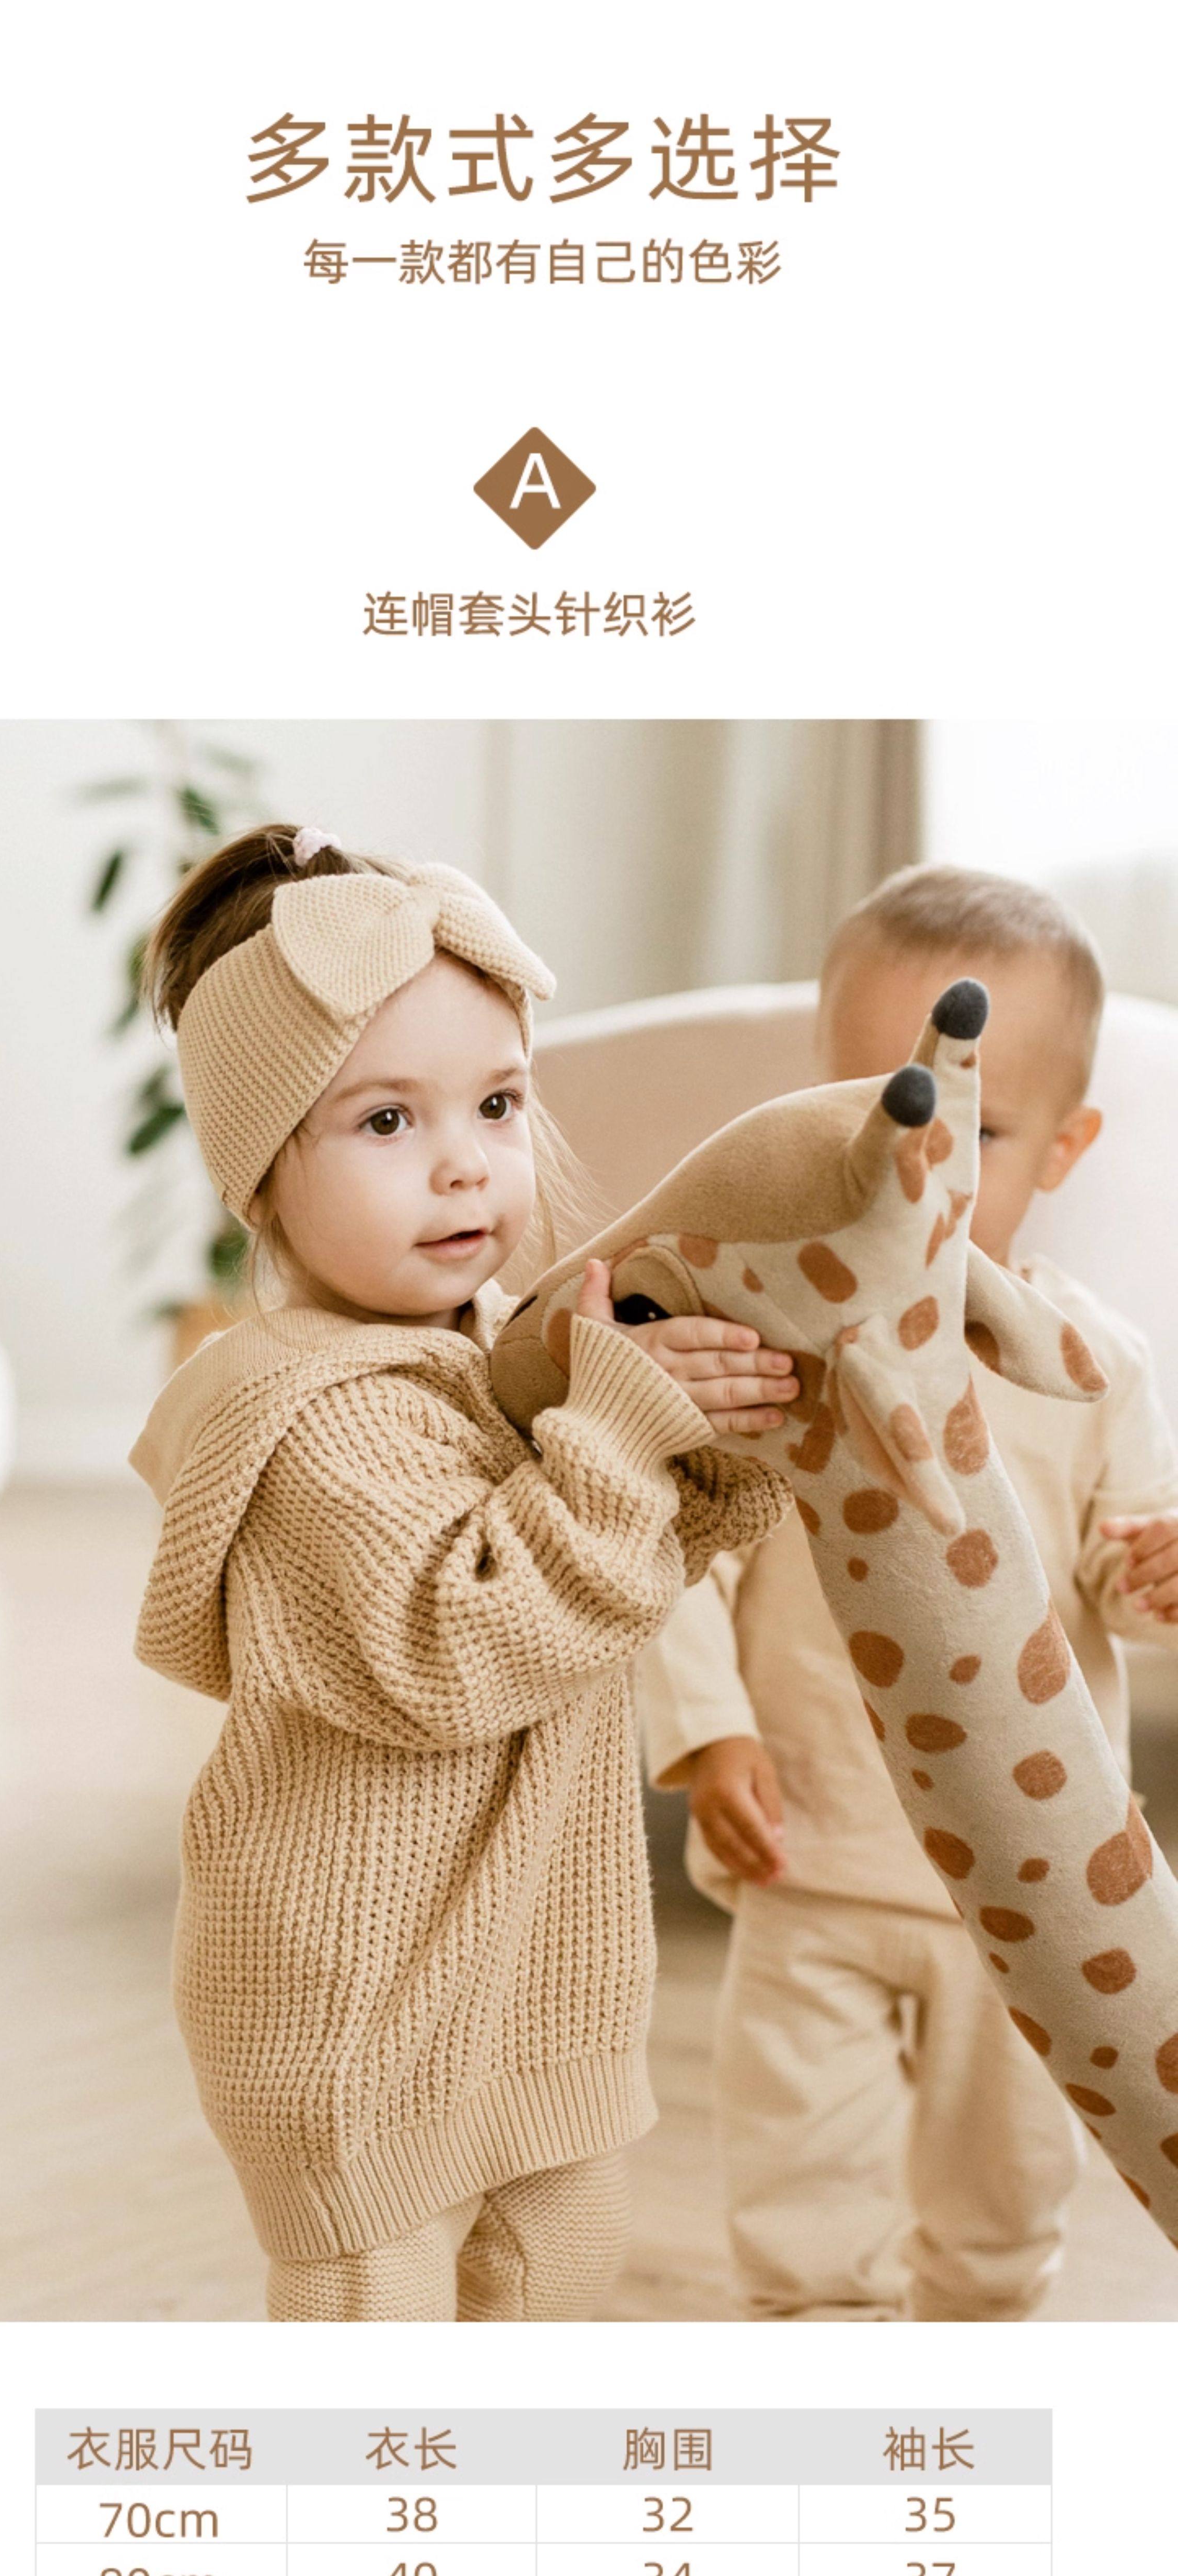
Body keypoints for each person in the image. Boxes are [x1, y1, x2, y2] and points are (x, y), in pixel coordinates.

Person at [129, 823, 796, 2323]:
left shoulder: (505, 1360)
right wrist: (617, 1435)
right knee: (383, 2354)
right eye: (385, 1121)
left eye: (498, 1103)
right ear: (260, 1177)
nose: (463, 1161)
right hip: (359, 2018)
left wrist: (717, 1445)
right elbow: (471, 1638)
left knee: (559, 2284)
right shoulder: (311, 1423)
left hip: (539, 1985)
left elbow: (610, 1578)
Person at [637, 865, 1178, 2322]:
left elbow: (1127, 1578)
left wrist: (1159, 1578)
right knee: (799, 2191)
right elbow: (686, 1547)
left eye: (976, 1132)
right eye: (880, 1114)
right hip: (810, 1857)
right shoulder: (775, 1346)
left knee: (1005, 2200)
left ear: (1064, 1147)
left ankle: (972, 2383)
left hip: (1025, 1898)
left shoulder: (1093, 1363)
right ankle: (824, 2374)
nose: (914, 1169)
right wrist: (708, 1733)